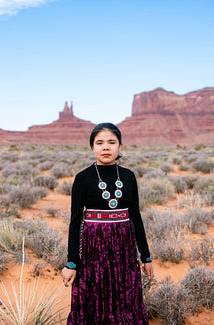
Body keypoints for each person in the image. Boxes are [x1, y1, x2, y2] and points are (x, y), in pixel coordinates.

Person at [62, 122, 154, 324]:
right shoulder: (83, 178)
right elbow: (75, 222)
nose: (106, 147)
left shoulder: (129, 176)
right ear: (92, 147)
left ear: (120, 146)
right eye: (100, 142)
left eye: (111, 142)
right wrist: (71, 263)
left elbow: (135, 217)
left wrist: (146, 257)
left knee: (125, 295)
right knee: (93, 293)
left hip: (124, 247)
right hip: (92, 248)